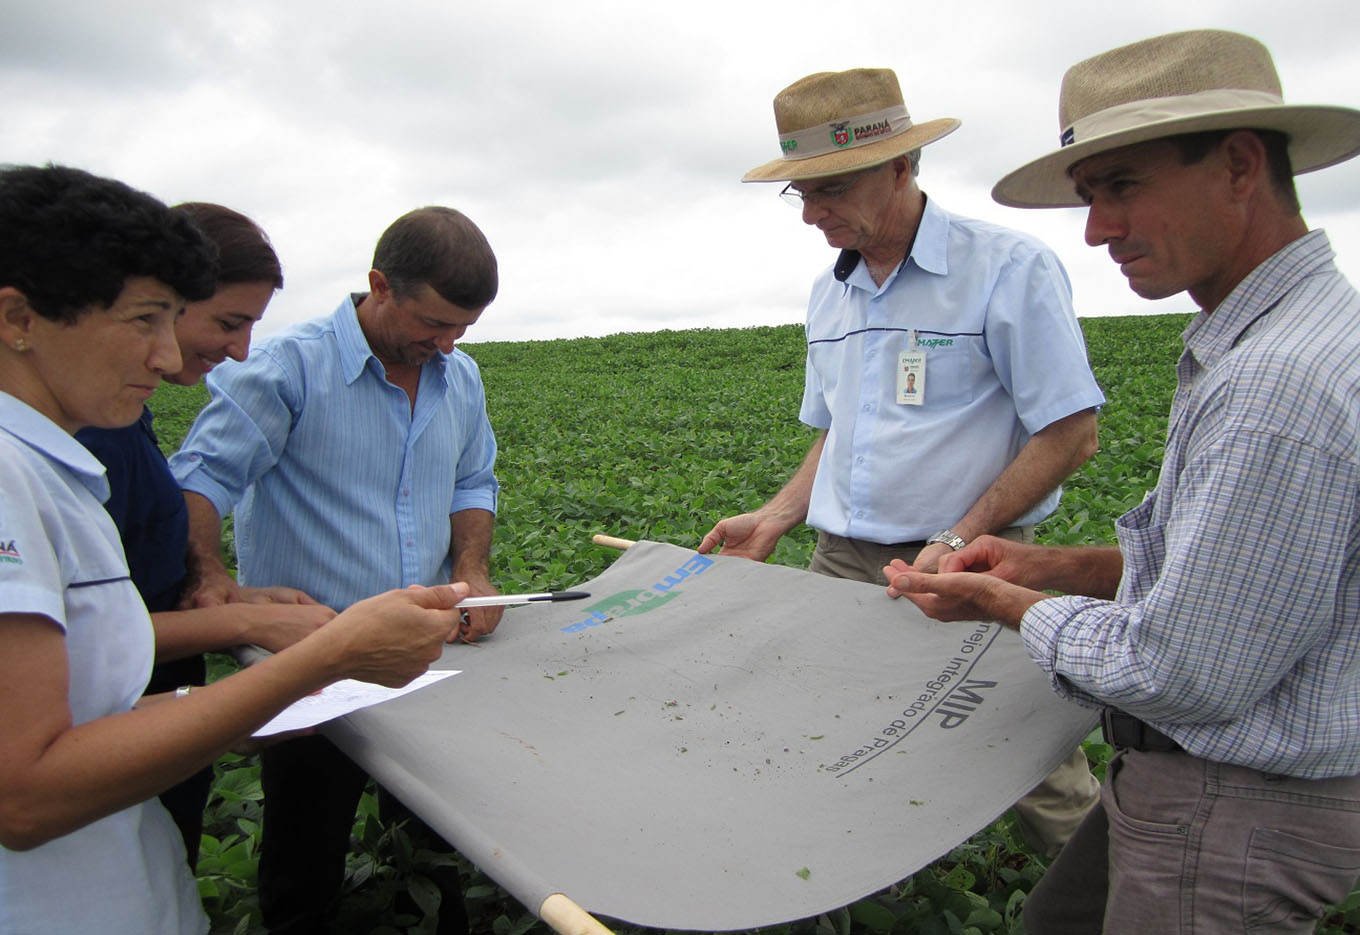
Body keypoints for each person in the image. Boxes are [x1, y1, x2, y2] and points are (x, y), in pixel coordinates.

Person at [885, 30, 1360, 933]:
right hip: (1197, 787)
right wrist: (1051, 568)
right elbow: (1233, 581)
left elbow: (1187, 671)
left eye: (1124, 186)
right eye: (1090, 196)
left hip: (1231, 812)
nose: (1098, 229)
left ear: (1238, 164)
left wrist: (1006, 604)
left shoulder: (1275, 383)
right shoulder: (1283, 336)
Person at [0, 165, 469, 935]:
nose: (165, 355)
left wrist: (250, 646)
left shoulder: (63, 464)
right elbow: (25, 792)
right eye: (147, 319)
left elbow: (94, 697)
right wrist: (321, 658)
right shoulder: (11, 477)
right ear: (20, 316)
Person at [697, 67, 1107, 857]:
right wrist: (779, 513)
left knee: (1032, 763)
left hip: (969, 564)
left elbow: (1071, 431)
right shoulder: (830, 292)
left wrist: (959, 538)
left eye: (832, 188)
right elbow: (837, 429)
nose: (813, 213)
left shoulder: (1007, 269)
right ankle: (827, 878)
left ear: (901, 167)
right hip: (842, 560)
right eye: (801, 194)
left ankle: (1120, 902)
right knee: (812, 729)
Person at [170, 206, 504, 934]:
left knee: (435, 837)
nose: (445, 343)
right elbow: (201, 478)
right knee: (305, 849)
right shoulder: (288, 367)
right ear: (380, 285)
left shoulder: (460, 375)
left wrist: (473, 570)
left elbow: (474, 481)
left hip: (428, 651)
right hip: (313, 660)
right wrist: (210, 572)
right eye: (433, 324)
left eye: (462, 329)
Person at [76, 202, 333, 869]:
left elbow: (125, 590)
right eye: (229, 321)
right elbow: (81, 635)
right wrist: (238, 625)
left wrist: (231, 595)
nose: (241, 351)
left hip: (152, 730)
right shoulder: (84, 432)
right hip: (104, 756)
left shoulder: (121, 416)